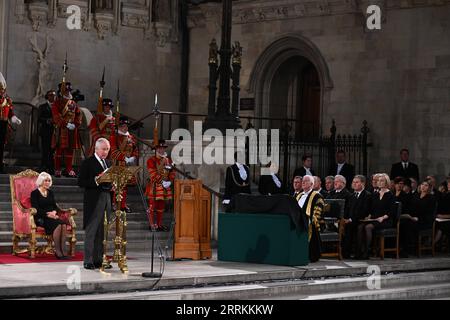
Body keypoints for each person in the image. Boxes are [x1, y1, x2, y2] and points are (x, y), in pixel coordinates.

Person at [78, 138, 113, 270]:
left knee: (103, 231)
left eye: (107, 149)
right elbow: (81, 182)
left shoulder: (108, 163)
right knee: (92, 230)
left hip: (106, 197)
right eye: (103, 149)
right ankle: (88, 260)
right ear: (96, 149)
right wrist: (96, 181)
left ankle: (99, 259)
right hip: (94, 199)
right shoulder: (88, 162)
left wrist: (112, 184)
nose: (105, 152)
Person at [30, 172, 70, 259]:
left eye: (49, 181)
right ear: (41, 181)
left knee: (63, 224)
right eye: (45, 181)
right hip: (41, 218)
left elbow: (55, 206)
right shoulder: (34, 193)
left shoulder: (50, 192)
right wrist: (48, 215)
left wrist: (54, 213)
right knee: (59, 225)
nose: (48, 182)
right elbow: (36, 209)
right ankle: (58, 251)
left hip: (52, 216)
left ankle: (63, 250)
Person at [356, 173, 396, 259]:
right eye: (379, 181)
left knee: (368, 227)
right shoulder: (375, 194)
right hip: (375, 218)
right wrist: (369, 216)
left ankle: (367, 252)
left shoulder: (390, 195)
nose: (379, 182)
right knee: (360, 226)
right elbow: (372, 208)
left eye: (382, 181)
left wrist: (382, 217)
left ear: (386, 182)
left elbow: (391, 211)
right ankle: (359, 252)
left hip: (385, 220)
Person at [51, 82, 82, 178]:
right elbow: (56, 116)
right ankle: (57, 169)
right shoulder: (57, 102)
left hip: (72, 129)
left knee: (70, 150)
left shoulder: (73, 103)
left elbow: (78, 115)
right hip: (61, 129)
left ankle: (69, 169)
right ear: (62, 91)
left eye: (69, 91)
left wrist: (76, 124)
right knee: (59, 149)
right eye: (66, 91)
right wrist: (65, 124)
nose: (68, 92)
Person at [399, 180, 436, 257]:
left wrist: (418, 218)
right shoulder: (415, 195)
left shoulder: (431, 198)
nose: (423, 186)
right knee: (403, 223)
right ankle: (402, 248)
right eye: (422, 184)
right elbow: (410, 208)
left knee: (409, 225)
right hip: (413, 218)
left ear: (429, 188)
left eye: (426, 185)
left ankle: (409, 249)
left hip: (424, 221)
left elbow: (429, 213)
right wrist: (408, 215)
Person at [145, 140, 176, 231]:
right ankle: (152, 224)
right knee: (152, 206)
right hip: (154, 186)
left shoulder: (167, 160)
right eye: (159, 148)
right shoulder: (151, 160)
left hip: (165, 187)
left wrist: (170, 181)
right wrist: (162, 181)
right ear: (156, 149)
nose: (161, 150)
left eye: (163, 148)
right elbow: (153, 174)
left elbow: (172, 171)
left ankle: (159, 224)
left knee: (161, 206)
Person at [110, 116, 139, 213]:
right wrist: (124, 158)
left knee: (125, 185)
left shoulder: (131, 137)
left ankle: (123, 205)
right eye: (123, 126)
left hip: (128, 165)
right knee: (116, 185)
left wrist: (133, 157)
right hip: (118, 164)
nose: (125, 128)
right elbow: (113, 152)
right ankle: (114, 203)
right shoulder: (114, 137)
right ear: (119, 127)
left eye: (126, 126)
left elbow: (135, 150)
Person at [295, 175, 324, 262]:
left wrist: (310, 220)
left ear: (311, 184)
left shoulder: (317, 196)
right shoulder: (299, 195)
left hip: (310, 222)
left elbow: (317, 212)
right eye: (303, 181)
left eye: (306, 181)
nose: (303, 182)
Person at [342, 175, 372, 259]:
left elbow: (364, 211)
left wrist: (351, 219)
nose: (354, 184)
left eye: (356, 182)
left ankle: (359, 253)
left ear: (363, 183)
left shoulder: (367, 195)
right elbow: (347, 209)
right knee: (344, 225)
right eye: (353, 182)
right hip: (351, 220)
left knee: (351, 227)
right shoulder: (351, 196)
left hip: (361, 220)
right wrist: (345, 218)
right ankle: (345, 253)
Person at [0, 72, 22, 174]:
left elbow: (10, 113)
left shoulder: (8, 100)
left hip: (3, 125)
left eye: (3, 89)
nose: (2, 91)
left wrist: (14, 118)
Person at [38, 90, 56, 174]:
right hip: (45, 131)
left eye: (54, 95)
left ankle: (51, 168)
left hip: (54, 132)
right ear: (47, 96)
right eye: (51, 95)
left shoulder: (57, 107)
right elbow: (39, 119)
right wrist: (47, 120)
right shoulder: (42, 107)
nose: (53, 97)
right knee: (45, 150)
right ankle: (43, 167)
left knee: (52, 151)